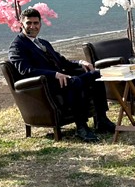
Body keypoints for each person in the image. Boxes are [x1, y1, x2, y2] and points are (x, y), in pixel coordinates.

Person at [8, 8, 115, 142]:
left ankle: (102, 120)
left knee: (96, 74)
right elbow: (25, 70)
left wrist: (80, 62)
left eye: (36, 23)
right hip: (43, 87)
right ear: (21, 24)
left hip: (62, 80)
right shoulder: (17, 46)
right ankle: (81, 127)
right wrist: (54, 74)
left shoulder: (43, 43)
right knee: (75, 82)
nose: (33, 26)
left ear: (40, 24)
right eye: (29, 23)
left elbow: (62, 61)